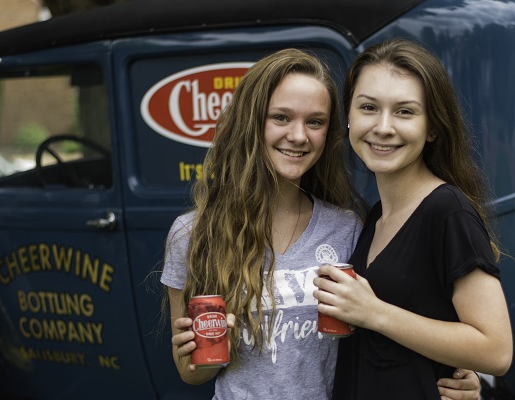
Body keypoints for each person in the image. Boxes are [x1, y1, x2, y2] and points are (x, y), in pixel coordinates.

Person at [161, 48, 481, 399]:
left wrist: (454, 375)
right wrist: (195, 357)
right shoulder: (193, 234)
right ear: (250, 123)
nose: (299, 136)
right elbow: (191, 375)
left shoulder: (348, 228)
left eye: (315, 122)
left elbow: (385, 330)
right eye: (281, 117)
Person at [313, 38, 513, 400]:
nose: (383, 127)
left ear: (432, 127)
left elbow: (496, 350)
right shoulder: (375, 218)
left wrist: (373, 312)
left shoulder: (447, 210)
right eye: (369, 107)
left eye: (405, 112)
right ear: (349, 117)